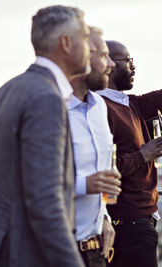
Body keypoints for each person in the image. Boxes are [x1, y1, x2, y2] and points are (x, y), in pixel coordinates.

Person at [0, 5, 90, 267]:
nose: (89, 45)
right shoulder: (47, 98)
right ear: (66, 43)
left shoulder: (7, 90)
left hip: (0, 250)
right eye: (85, 35)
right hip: (28, 255)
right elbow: (45, 201)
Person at [97, 41, 162, 267]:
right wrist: (143, 155)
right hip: (126, 225)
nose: (133, 67)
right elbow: (101, 169)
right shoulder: (100, 109)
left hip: (141, 221)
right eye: (128, 60)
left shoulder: (129, 102)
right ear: (110, 64)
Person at [69, 27, 121, 267]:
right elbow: (25, 180)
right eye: (104, 56)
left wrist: (105, 217)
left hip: (96, 249)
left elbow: (104, 169)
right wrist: (85, 185)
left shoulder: (99, 105)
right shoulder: (49, 106)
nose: (111, 64)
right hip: (58, 251)